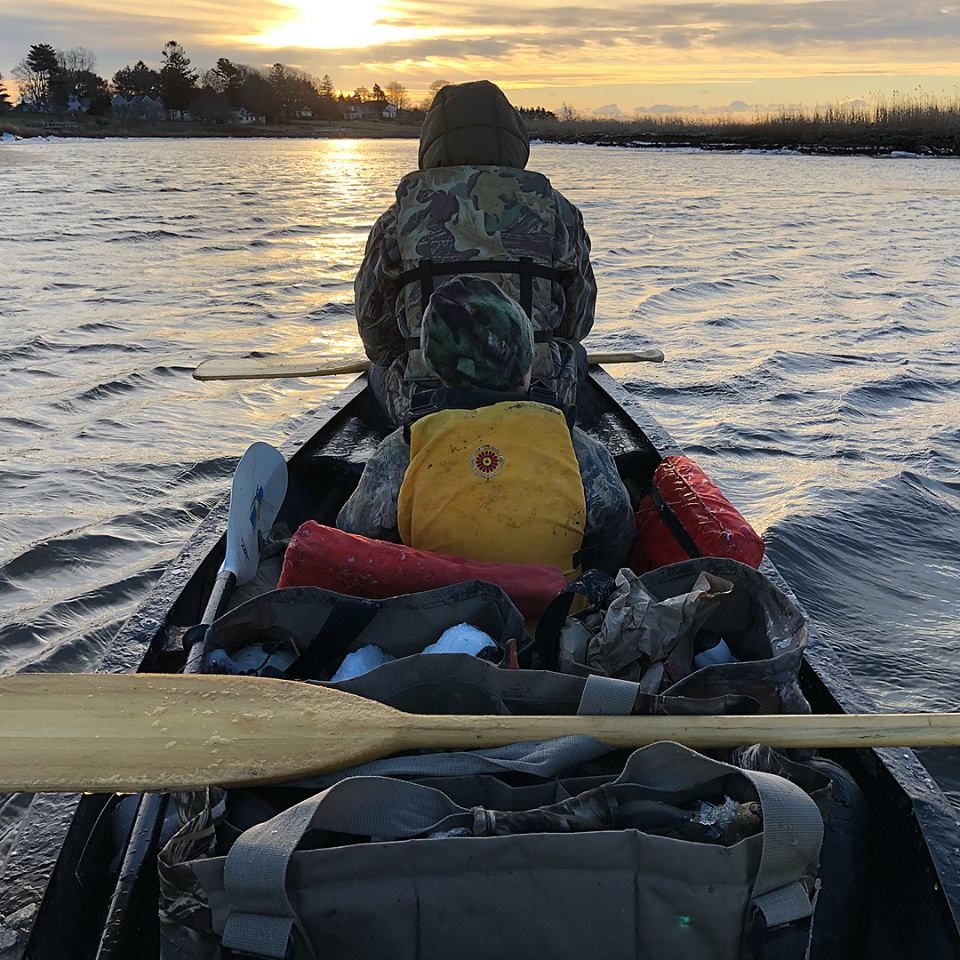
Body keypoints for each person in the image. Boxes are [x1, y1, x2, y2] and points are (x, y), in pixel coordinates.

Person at [338, 276, 634, 578]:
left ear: (434, 365)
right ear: (524, 366)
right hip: (557, 619)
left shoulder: (404, 447)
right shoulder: (573, 444)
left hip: (438, 616)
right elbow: (615, 523)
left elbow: (354, 532)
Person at [355, 79, 598, 425]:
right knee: (577, 355)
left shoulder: (397, 219)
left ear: (431, 141)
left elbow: (375, 335)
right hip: (537, 398)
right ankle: (562, 439)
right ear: (513, 138)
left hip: (424, 406)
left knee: (378, 369)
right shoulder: (559, 212)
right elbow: (576, 325)